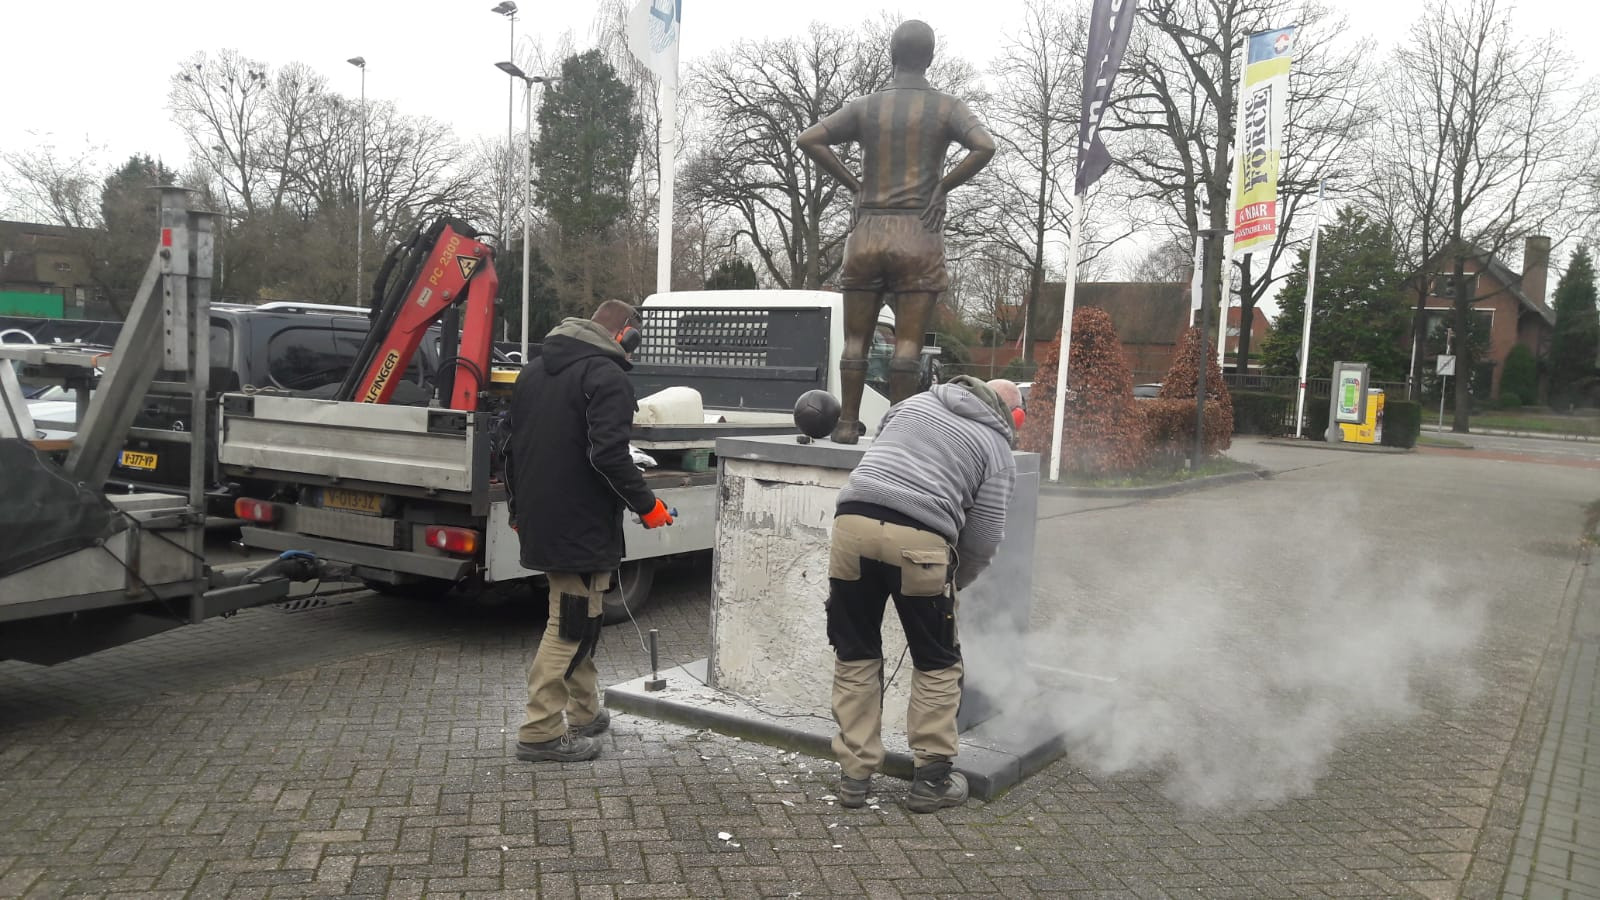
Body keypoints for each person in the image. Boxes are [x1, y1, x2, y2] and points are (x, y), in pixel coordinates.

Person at [826, 376, 1023, 813]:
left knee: (855, 651)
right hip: (921, 541)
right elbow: (983, 538)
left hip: (850, 526)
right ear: (1012, 415)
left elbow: (881, 457)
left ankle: (855, 775)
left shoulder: (912, 403)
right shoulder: (996, 448)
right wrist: (956, 582)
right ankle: (932, 781)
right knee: (936, 661)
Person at [797, 19, 995, 444]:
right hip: (917, 232)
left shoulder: (866, 106)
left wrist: (855, 185)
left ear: (892, 55)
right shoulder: (946, 107)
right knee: (907, 346)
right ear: (930, 58)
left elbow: (809, 138)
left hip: (867, 230)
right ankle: (896, 433)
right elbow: (985, 146)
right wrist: (941, 187)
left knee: (856, 341)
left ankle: (847, 426)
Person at [505, 299, 674, 763]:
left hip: (546, 517)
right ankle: (540, 731)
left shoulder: (533, 373)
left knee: (586, 615)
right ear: (624, 336)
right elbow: (608, 456)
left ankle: (585, 712)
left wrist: (519, 509)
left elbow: (510, 449)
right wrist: (649, 505)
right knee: (568, 624)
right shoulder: (608, 378)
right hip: (579, 523)